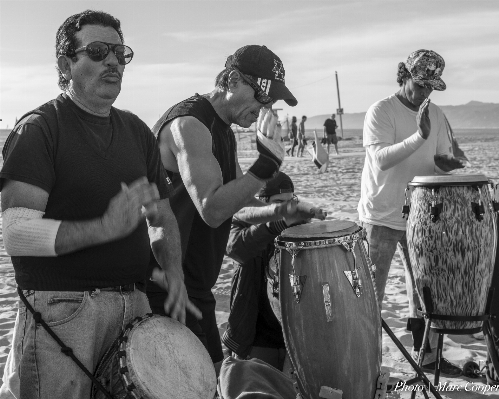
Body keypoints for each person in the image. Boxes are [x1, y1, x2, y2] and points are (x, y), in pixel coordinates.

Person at [0, 10, 197, 399]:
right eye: (97, 50)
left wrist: (174, 269)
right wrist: (103, 228)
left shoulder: (137, 131)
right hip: (62, 312)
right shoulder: (39, 129)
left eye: (119, 54)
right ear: (65, 64)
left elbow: (160, 215)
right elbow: (17, 234)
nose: (112, 61)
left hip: (134, 307)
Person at [145, 45, 326, 370]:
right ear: (231, 80)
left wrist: (279, 213)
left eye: (270, 102)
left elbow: (236, 205)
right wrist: (266, 166)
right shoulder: (190, 124)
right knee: (196, 383)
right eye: (261, 96)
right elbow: (212, 209)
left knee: (210, 377)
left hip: (196, 285)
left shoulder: (223, 131)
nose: (264, 108)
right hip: (166, 283)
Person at [357, 49, 465, 377]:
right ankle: (367, 365)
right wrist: (419, 135)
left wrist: (453, 163)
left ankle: (428, 357)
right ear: (404, 75)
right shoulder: (382, 110)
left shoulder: (437, 115)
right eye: (420, 85)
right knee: (371, 296)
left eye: (431, 87)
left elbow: (440, 159)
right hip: (381, 217)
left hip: (421, 218)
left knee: (426, 293)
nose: (425, 93)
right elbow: (380, 160)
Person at [222, 172, 297, 370]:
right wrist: (273, 225)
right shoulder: (241, 225)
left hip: (293, 340)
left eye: (290, 202)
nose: (285, 209)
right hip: (255, 338)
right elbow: (236, 248)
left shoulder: (299, 229)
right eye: (279, 202)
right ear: (261, 203)